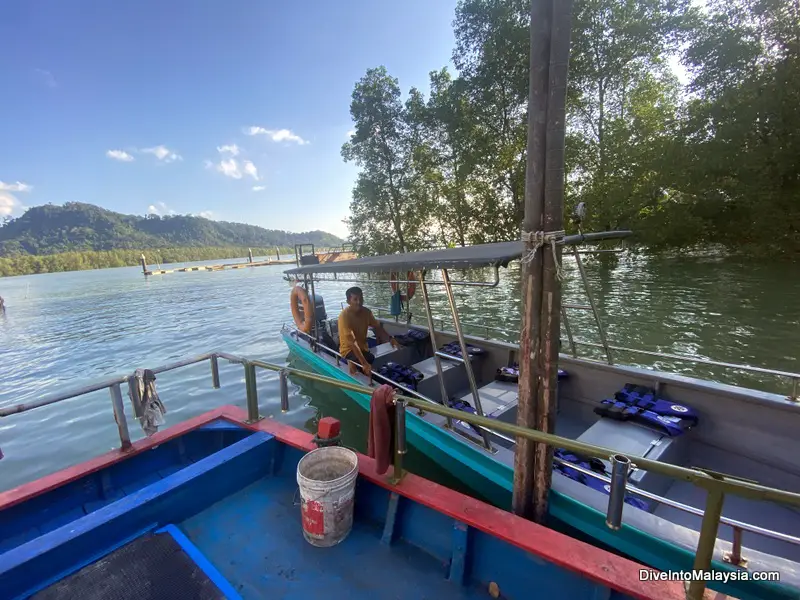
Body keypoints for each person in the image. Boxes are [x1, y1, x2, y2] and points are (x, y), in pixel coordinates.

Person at [338, 286, 399, 377]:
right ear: (348, 302)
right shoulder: (344, 316)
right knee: (359, 363)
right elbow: (352, 342)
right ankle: (353, 373)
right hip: (348, 349)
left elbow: (378, 327)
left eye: (361, 298)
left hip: (363, 348)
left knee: (370, 358)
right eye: (355, 299)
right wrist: (364, 363)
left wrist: (390, 339)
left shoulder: (367, 312)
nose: (359, 302)